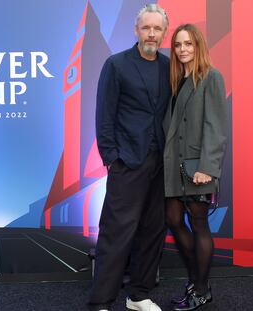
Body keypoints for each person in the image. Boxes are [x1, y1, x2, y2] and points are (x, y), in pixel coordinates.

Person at [87, 4, 170, 311]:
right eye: (146, 27)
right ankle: (101, 301)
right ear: (136, 30)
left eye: (157, 28)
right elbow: (104, 114)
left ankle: (139, 295)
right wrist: (111, 157)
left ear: (163, 33)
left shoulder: (168, 66)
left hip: (160, 163)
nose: (151, 33)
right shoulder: (116, 64)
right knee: (116, 232)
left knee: (153, 230)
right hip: (127, 162)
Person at [163, 23, 228, 311]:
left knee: (199, 224)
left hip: (197, 166)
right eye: (178, 45)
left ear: (198, 45)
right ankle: (197, 281)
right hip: (173, 166)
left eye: (188, 44)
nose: (183, 49)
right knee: (174, 220)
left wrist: (208, 166)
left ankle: (200, 289)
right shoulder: (176, 81)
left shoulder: (211, 77)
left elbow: (216, 126)